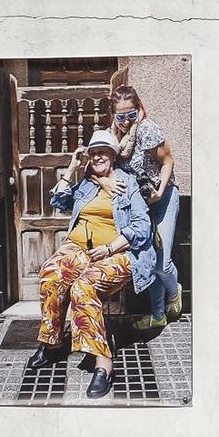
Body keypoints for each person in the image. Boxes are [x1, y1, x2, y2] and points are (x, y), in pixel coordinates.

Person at [27, 130, 158, 400]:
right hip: (78, 248)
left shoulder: (127, 183)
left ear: (112, 155)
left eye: (103, 151)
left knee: (83, 288)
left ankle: (103, 364)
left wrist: (111, 247)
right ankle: (52, 344)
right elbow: (59, 200)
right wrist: (73, 166)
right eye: (93, 152)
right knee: (51, 275)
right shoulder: (87, 183)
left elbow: (143, 227)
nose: (97, 155)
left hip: (117, 252)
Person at [111, 85, 181, 330]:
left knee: (162, 264)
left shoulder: (147, 129)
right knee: (148, 261)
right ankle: (158, 314)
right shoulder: (115, 138)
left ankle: (175, 292)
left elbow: (167, 161)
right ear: (114, 115)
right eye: (121, 116)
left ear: (138, 108)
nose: (126, 121)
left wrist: (159, 191)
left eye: (131, 114)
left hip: (162, 198)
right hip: (138, 204)